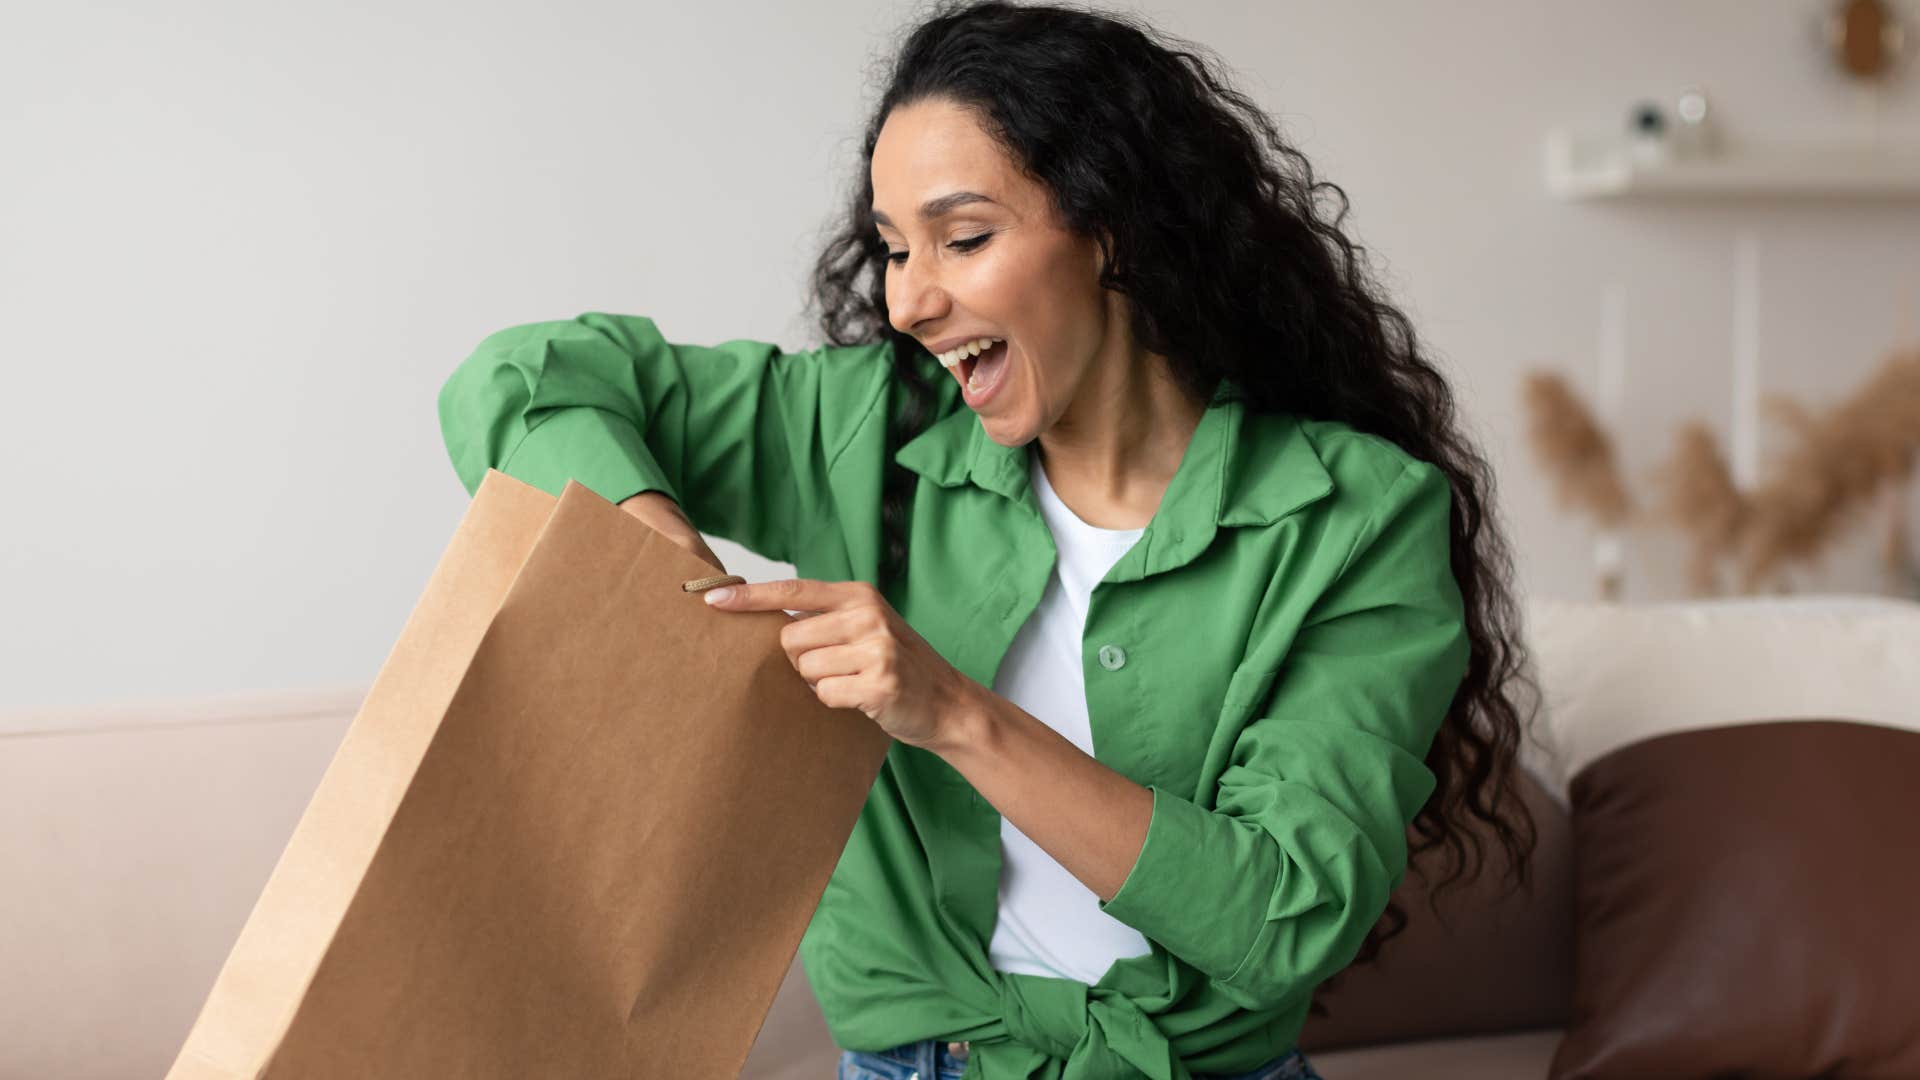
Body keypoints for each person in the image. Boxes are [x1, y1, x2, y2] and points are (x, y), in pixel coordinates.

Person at [436, 2, 1539, 1077]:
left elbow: (1285, 916)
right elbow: (519, 379)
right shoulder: (867, 424)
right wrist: (667, 558)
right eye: (892, 249)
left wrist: (953, 714)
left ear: (1114, 232)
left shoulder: (1358, 517)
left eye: (962, 238)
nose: (911, 300)